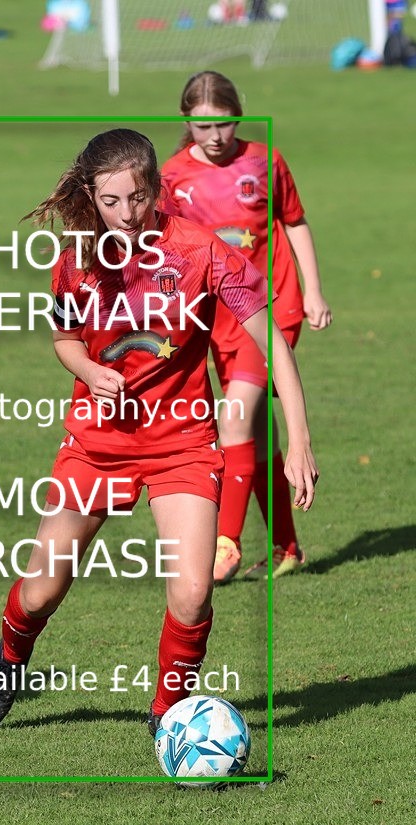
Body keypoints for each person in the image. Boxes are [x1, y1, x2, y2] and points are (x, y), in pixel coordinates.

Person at [0, 129, 318, 735]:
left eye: (138, 198)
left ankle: (168, 716)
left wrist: (299, 438)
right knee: (40, 592)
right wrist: (87, 369)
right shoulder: (76, 260)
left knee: (192, 593)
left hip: (182, 444)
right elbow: (65, 338)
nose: (126, 214)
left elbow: (274, 347)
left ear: (157, 189)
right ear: (90, 195)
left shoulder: (202, 251)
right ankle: (10, 656)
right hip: (97, 444)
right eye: (111, 201)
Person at [160, 71, 331, 583]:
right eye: (203, 126)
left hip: (272, 309)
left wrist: (315, 289)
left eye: (226, 124)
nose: (216, 136)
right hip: (217, 320)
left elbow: (294, 221)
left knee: (232, 421)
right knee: (253, 437)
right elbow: (169, 253)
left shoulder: (264, 159)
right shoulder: (171, 177)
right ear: (186, 120)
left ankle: (224, 545)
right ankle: (288, 547)